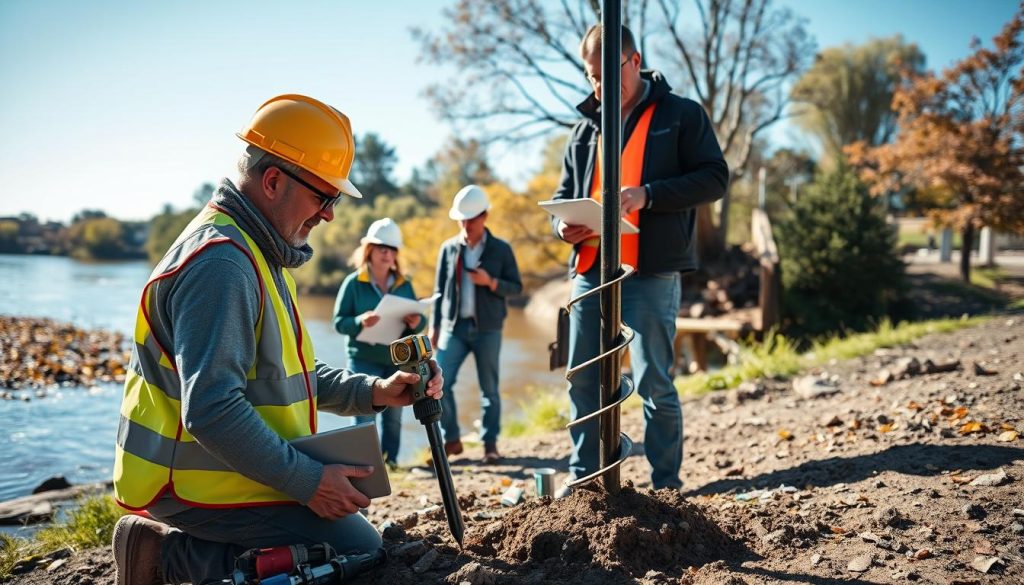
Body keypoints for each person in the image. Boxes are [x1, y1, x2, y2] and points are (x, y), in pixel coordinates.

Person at [109, 94, 444, 585]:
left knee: (355, 542)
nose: (329, 214)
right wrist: (308, 483)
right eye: (322, 197)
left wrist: (373, 391)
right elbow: (212, 409)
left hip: (225, 466)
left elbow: (290, 374)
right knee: (356, 551)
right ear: (272, 182)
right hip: (184, 480)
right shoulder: (223, 265)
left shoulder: (263, 252)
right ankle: (160, 557)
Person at [551, 25, 729, 494]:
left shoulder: (681, 115)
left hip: (651, 272)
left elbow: (714, 178)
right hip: (591, 270)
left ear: (635, 60)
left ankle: (666, 488)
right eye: (592, 78)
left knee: (654, 384)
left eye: (609, 75)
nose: (601, 88)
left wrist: (647, 195)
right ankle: (584, 485)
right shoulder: (584, 127)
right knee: (583, 383)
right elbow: (563, 195)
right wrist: (562, 225)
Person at [430, 185, 522, 463]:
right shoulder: (448, 249)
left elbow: (516, 287)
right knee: (437, 383)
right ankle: (453, 440)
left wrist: (491, 282)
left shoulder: (501, 249)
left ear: (485, 216)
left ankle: (490, 446)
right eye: (462, 219)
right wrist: (434, 326)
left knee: (489, 391)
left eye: (471, 219)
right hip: (453, 328)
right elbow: (438, 291)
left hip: (488, 329)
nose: (466, 225)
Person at [333, 218, 426, 466]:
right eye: (382, 248)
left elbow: (421, 320)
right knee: (363, 415)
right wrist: (360, 321)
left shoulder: (404, 284)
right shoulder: (352, 283)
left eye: (392, 249)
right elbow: (339, 322)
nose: (387, 254)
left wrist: (416, 322)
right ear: (369, 250)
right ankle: (363, 466)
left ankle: (391, 463)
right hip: (363, 359)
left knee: (394, 416)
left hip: (396, 361)